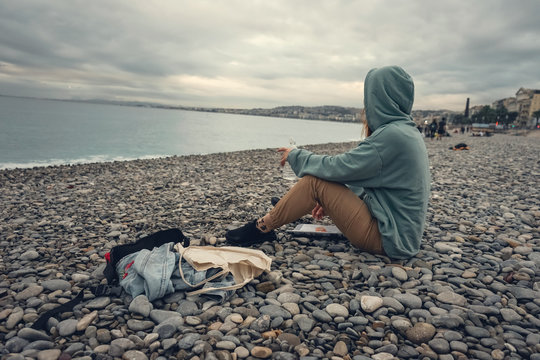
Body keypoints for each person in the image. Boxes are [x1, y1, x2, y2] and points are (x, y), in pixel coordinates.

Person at [225, 66, 431, 260]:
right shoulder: (407, 132)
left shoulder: (393, 135)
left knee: (315, 182)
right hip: (401, 235)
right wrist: (330, 201)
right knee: (323, 184)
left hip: (389, 240)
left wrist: (296, 155)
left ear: (380, 98)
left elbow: (338, 166)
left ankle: (261, 228)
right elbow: (365, 175)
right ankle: (288, 208)